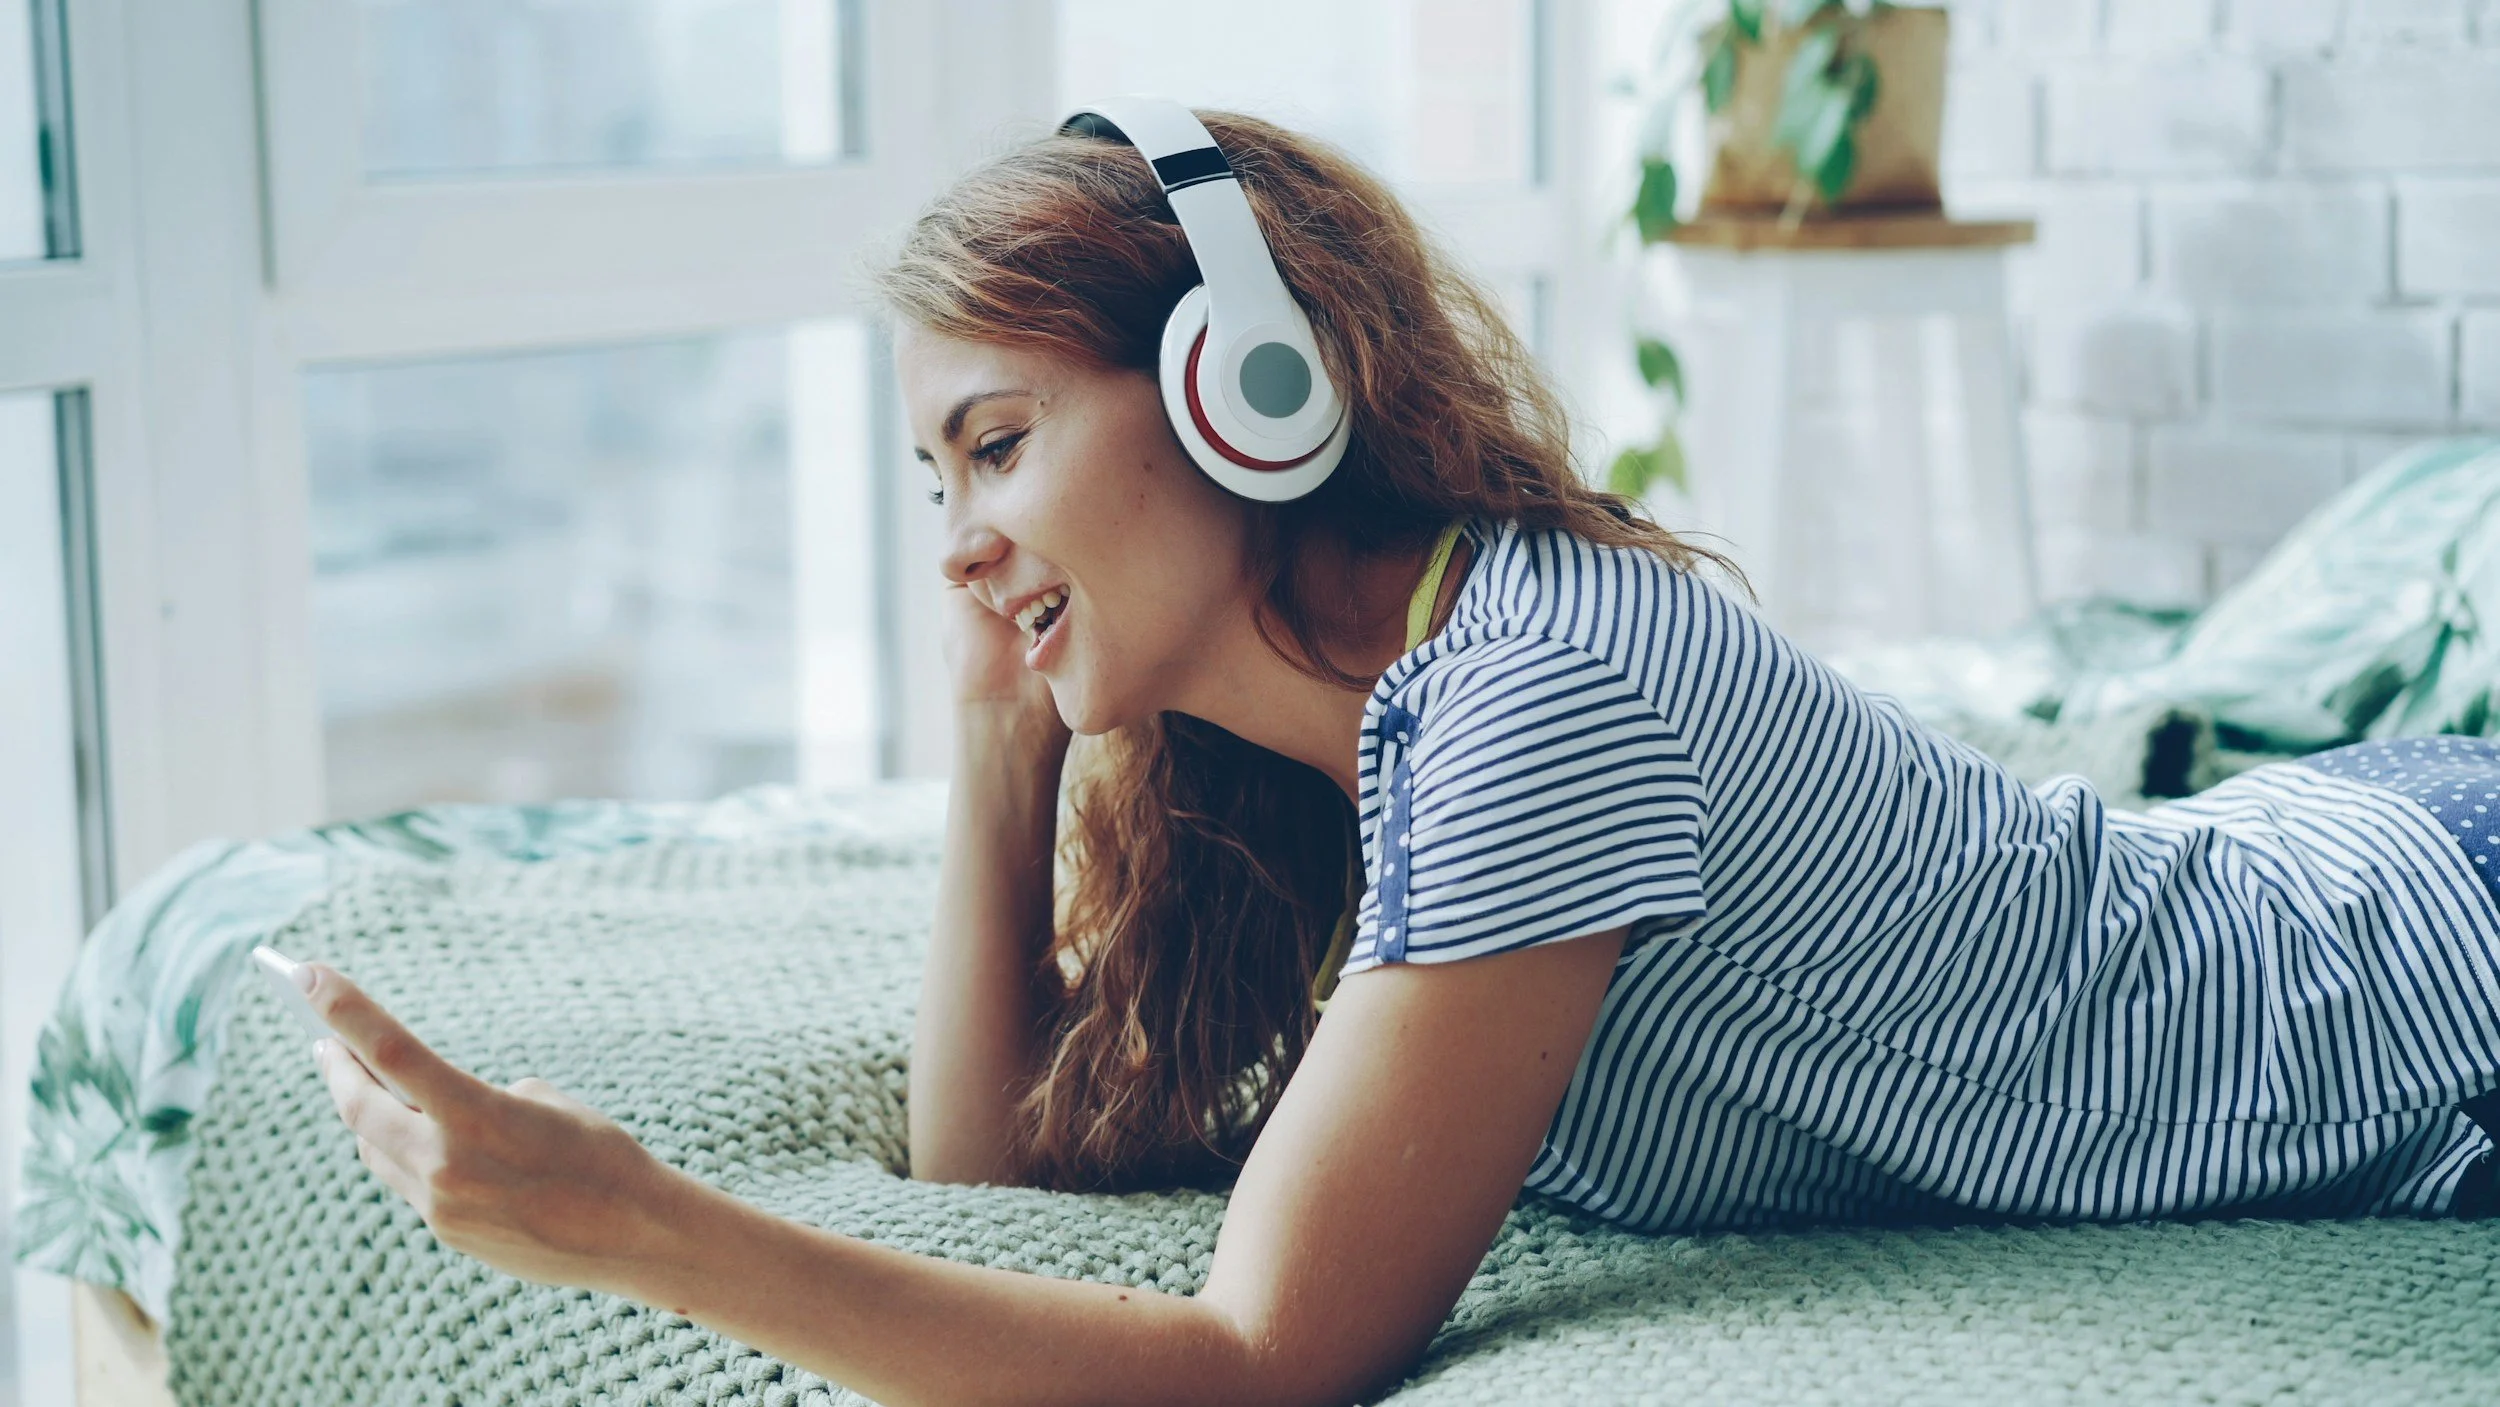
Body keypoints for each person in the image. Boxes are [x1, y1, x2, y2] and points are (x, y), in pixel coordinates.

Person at [302, 107, 2500, 1406]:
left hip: (2427, 978)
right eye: (926, 479)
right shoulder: (1311, 731)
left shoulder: (1531, 704)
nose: (958, 536)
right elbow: (980, 1179)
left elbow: (1264, 1362)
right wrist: (1004, 741)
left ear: (1238, 386)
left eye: (995, 445)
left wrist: (650, 1231)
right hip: (2306, 856)